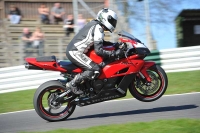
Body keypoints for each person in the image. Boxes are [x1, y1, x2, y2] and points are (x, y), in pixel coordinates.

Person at [66, 8, 124, 95]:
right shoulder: (98, 28)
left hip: (75, 51)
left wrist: (114, 45)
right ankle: (72, 84)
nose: (113, 24)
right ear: (105, 18)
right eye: (112, 21)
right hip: (75, 52)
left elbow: (101, 42)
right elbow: (99, 51)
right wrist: (114, 54)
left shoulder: (95, 24)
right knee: (95, 69)